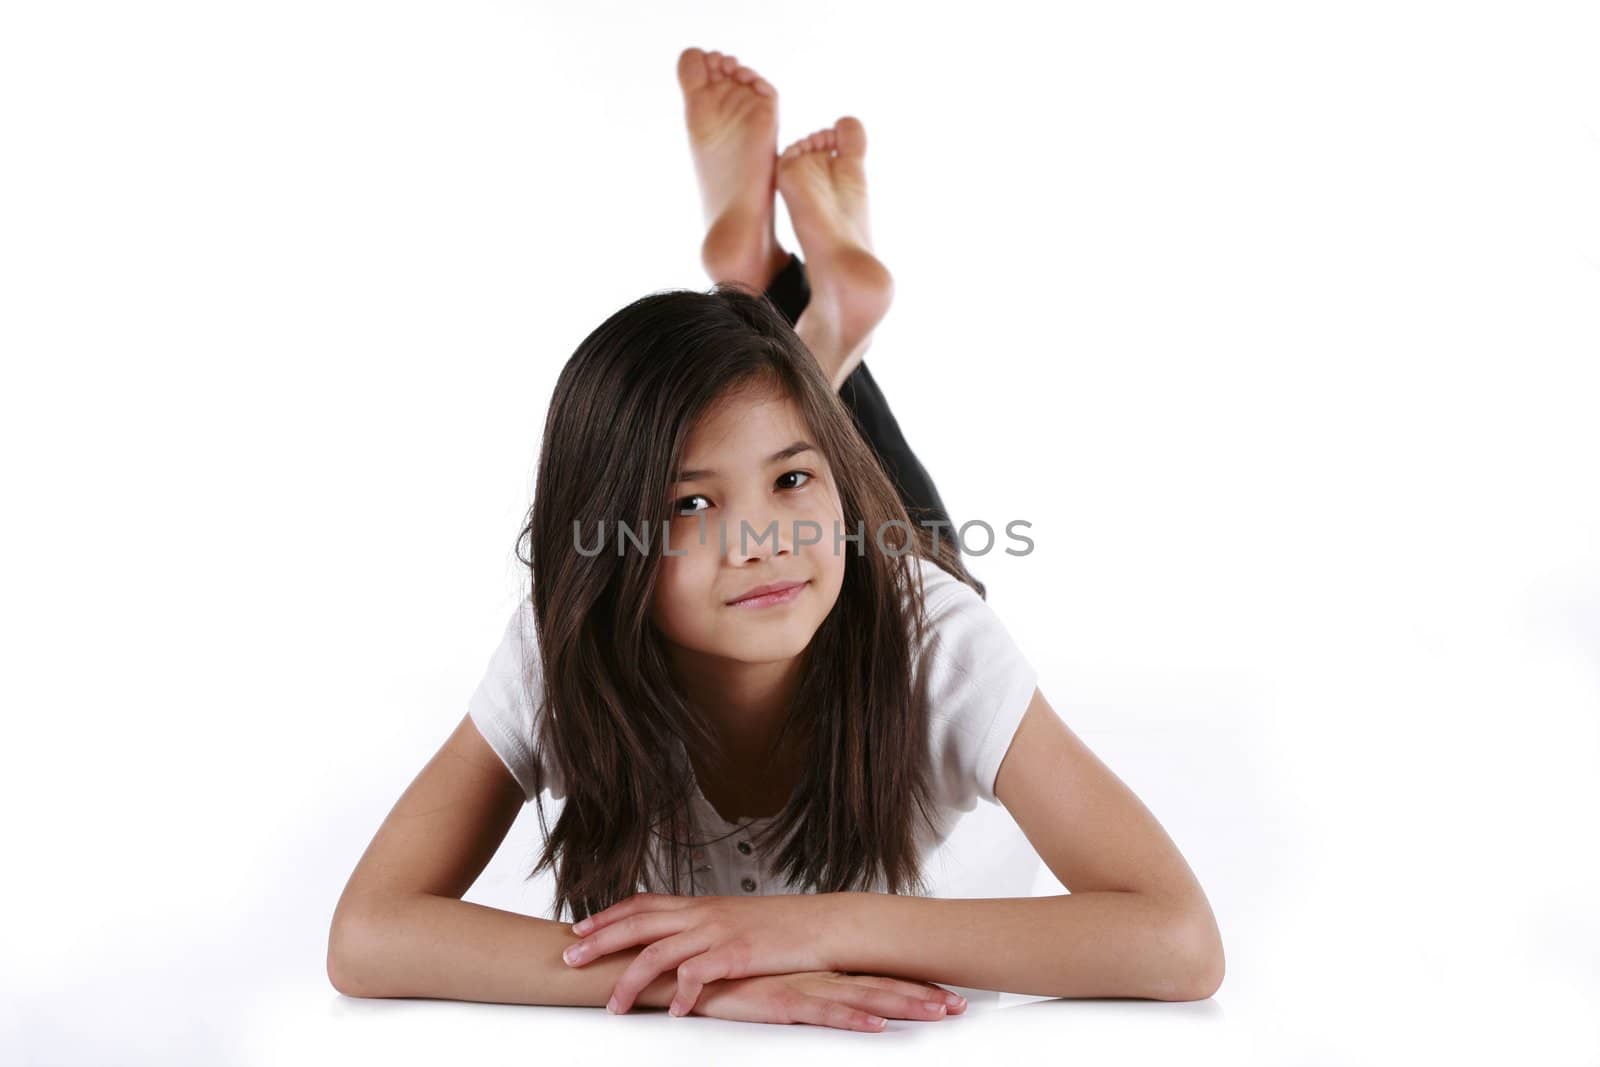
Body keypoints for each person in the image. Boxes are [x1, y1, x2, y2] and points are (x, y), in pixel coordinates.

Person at [327, 46, 1224, 1033]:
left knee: (885, 537)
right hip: (842, 551)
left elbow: (1178, 940)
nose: (756, 539)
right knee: (775, 425)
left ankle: (780, 295)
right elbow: (368, 934)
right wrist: (703, 978)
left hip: (881, 579)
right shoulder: (564, 648)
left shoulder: (935, 640)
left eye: (792, 481)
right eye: (686, 506)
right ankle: (797, 301)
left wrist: (801, 927)